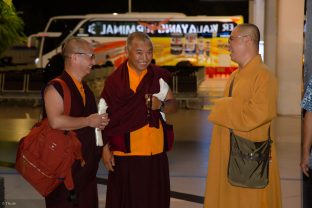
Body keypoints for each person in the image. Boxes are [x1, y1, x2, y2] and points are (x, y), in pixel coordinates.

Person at [204, 24, 282, 208]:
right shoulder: (235, 76)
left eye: (231, 39)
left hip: (249, 159)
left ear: (247, 40)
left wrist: (222, 105)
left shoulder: (264, 76)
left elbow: (255, 116)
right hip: (229, 153)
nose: (228, 45)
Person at [101, 31, 178, 208]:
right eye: (139, 52)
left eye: (149, 52)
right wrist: (105, 149)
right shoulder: (114, 82)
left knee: (154, 201)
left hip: (155, 152)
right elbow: (103, 117)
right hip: (126, 154)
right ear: (127, 51)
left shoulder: (158, 77)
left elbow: (174, 105)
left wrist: (161, 106)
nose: (145, 57)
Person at [43, 37, 109, 208]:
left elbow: (90, 123)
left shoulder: (84, 88)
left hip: (85, 171)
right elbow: (56, 121)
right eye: (90, 56)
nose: (94, 61)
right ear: (75, 57)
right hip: (64, 172)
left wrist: (99, 122)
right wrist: (88, 120)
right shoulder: (55, 87)